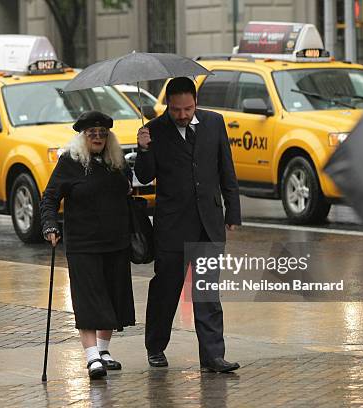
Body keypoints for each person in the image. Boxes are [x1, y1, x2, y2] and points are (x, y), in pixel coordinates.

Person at [135, 77, 242, 373]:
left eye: (188, 108)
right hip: (172, 228)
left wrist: (233, 212)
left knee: (207, 293)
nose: (182, 115)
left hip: (208, 223)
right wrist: (143, 149)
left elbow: (226, 169)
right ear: (168, 104)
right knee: (166, 290)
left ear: (195, 103)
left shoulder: (214, 123)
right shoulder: (153, 130)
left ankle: (213, 357)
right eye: (177, 109)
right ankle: (155, 346)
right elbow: (144, 177)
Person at [41, 111, 135, 380]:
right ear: (83, 137)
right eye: (92, 134)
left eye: (103, 134)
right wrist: (49, 226)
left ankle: (104, 351)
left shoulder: (115, 162)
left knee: (113, 298)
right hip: (84, 243)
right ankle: (92, 356)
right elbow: (49, 198)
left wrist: (142, 149)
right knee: (89, 299)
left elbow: (131, 185)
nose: (98, 138)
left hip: (116, 241)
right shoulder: (70, 162)